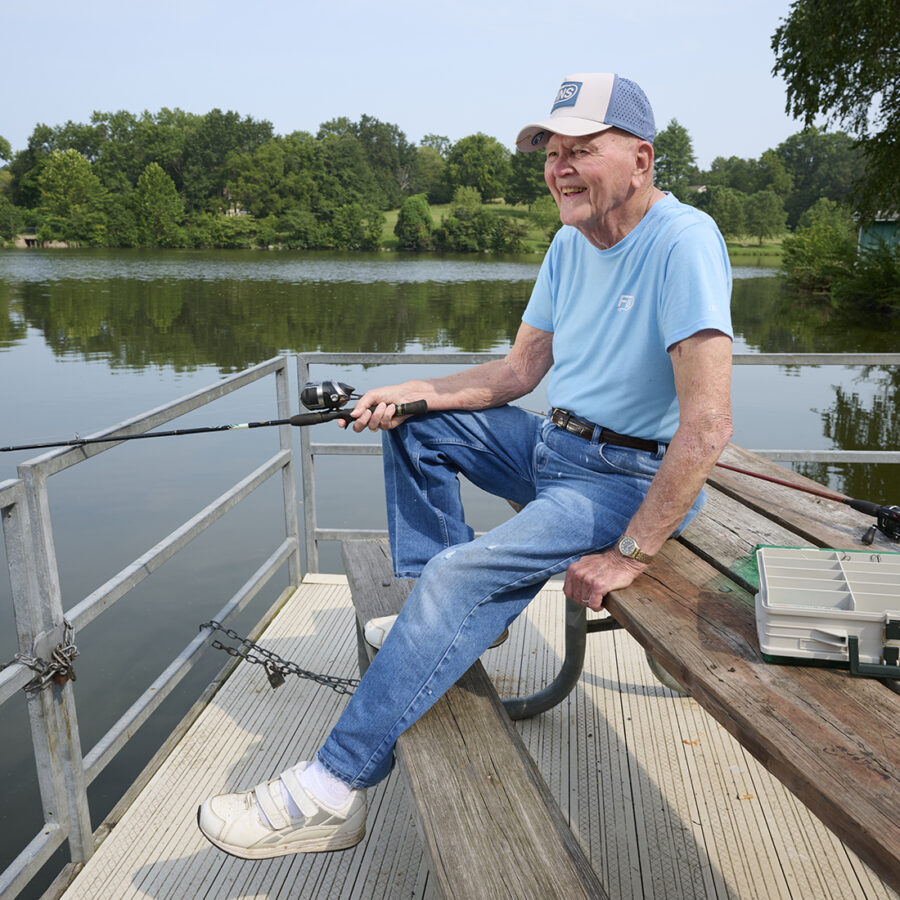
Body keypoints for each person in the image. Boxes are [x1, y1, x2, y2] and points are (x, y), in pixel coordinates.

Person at [197, 71, 734, 859]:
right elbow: (515, 376)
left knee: (464, 576)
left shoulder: (684, 241)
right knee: (417, 432)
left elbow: (709, 426)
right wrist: (409, 392)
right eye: (551, 153)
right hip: (555, 446)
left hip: (626, 482)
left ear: (642, 160)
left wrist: (630, 555)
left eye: (581, 150)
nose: (559, 168)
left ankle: (330, 791)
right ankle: (444, 619)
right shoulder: (568, 245)